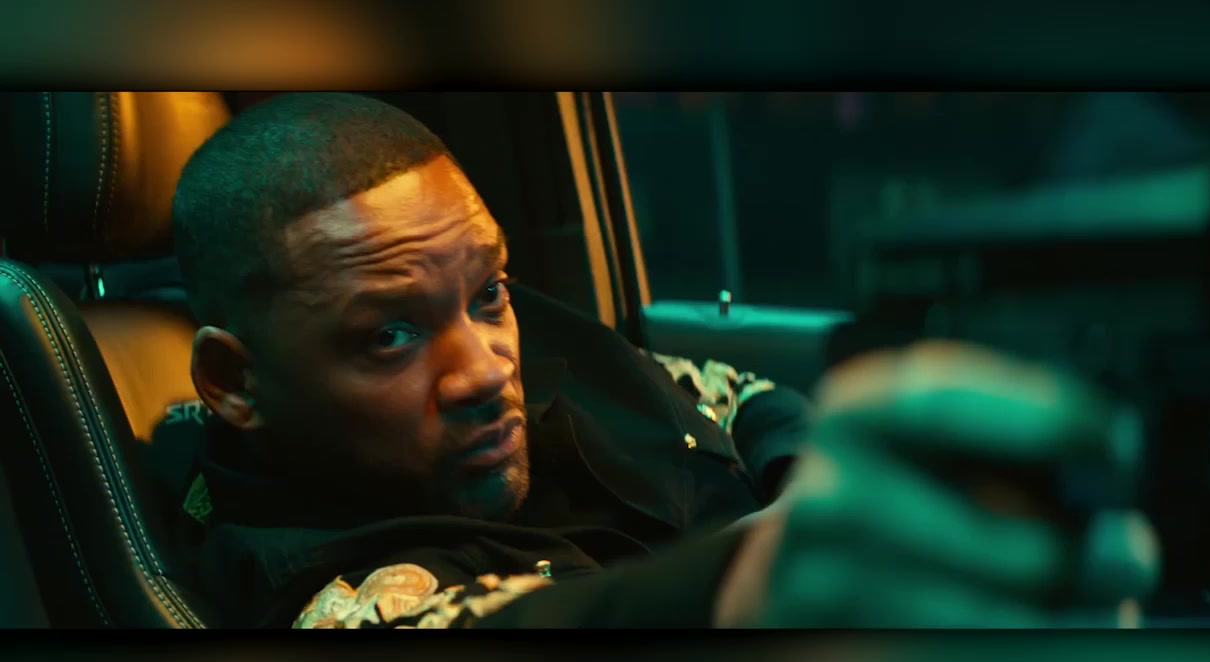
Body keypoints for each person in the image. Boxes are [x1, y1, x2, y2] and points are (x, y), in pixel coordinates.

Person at [174, 93, 1159, 629]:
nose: (485, 369)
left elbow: (733, 393)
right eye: (387, 337)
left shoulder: (522, 340)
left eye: (487, 294)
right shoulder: (334, 598)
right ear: (234, 385)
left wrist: (794, 480)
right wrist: (763, 577)